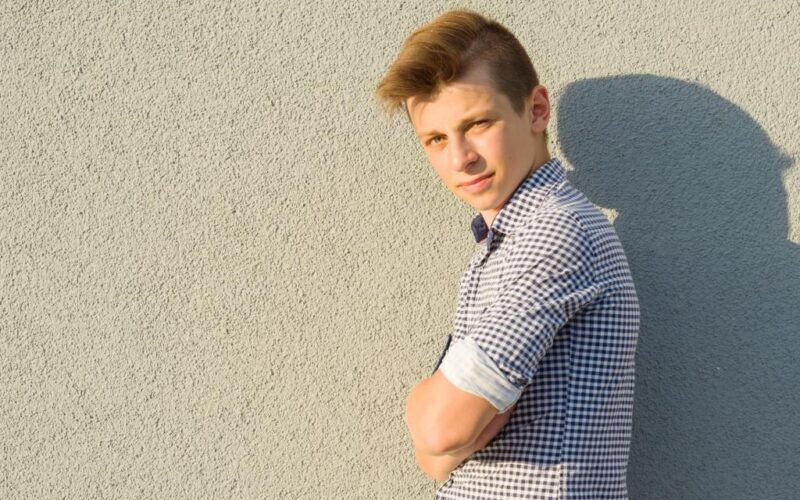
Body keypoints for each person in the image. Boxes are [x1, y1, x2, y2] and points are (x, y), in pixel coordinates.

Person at [375, 9, 640, 500]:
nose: (460, 158)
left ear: (536, 110)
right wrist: (443, 427)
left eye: (477, 124)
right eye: (436, 139)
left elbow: (439, 432)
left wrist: (422, 402)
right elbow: (435, 460)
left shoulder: (554, 233)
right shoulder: (509, 240)